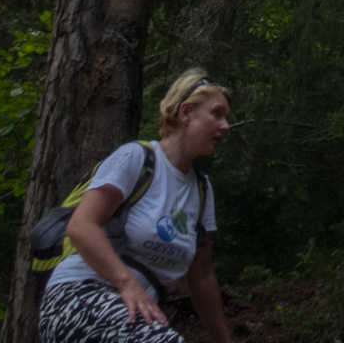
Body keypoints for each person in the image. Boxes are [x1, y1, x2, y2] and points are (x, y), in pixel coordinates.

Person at [38, 69, 233, 343]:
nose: (226, 126)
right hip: (78, 297)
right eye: (217, 114)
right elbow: (81, 226)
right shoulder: (136, 159)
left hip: (134, 317)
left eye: (226, 118)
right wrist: (127, 283)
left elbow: (202, 277)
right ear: (186, 112)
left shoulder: (201, 190)